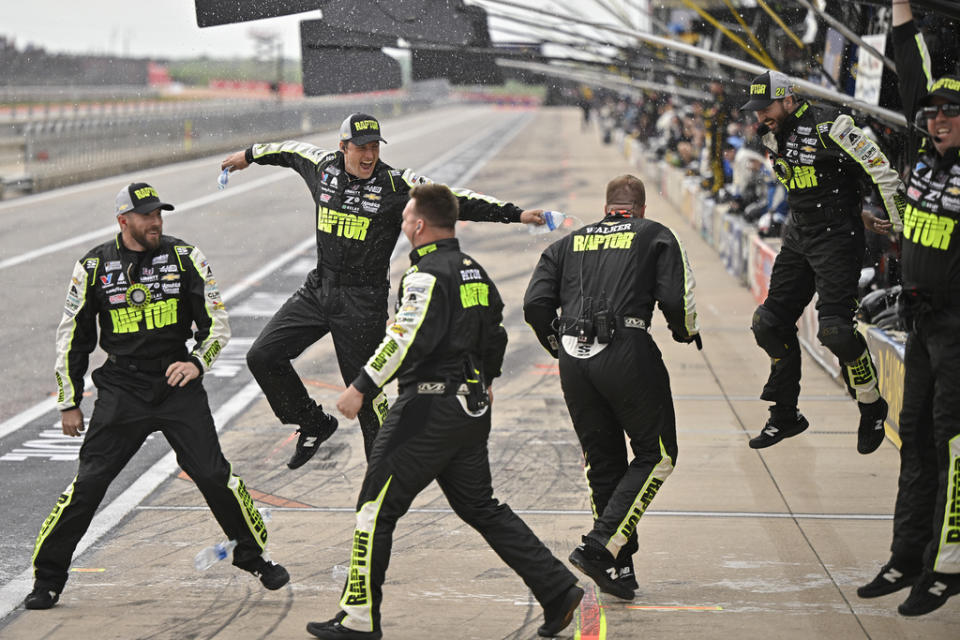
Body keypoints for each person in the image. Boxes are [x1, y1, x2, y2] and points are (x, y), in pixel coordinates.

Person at [305, 184, 582, 639]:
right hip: (470, 408)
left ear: (418, 224)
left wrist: (361, 386)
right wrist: (486, 381)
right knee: (480, 506)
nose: (402, 224)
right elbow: (496, 333)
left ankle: (357, 619)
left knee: (375, 510)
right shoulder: (473, 270)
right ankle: (557, 589)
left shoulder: (424, 275)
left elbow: (402, 338)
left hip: (428, 407)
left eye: (405, 217)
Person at [220, 113, 545, 468]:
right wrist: (249, 155)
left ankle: (383, 473)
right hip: (319, 288)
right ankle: (313, 423)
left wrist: (517, 214)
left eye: (375, 147)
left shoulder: (396, 183)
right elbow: (285, 150)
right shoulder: (321, 167)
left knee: (366, 394)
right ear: (342, 147)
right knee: (262, 356)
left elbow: (452, 199)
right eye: (361, 148)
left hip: (363, 302)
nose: (369, 155)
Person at [24, 183, 288, 610]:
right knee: (89, 484)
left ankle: (252, 555)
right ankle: (47, 578)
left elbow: (218, 326)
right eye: (146, 215)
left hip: (175, 381)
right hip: (122, 388)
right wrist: (68, 400)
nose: (156, 222)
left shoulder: (185, 257)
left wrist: (197, 363)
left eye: (159, 214)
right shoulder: (93, 266)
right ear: (123, 220)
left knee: (212, 473)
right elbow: (72, 336)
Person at [523, 175, 701, 601]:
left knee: (603, 461)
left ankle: (618, 566)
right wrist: (683, 330)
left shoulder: (568, 243)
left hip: (572, 357)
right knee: (657, 454)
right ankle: (601, 547)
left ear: (608, 206)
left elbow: (534, 304)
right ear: (639, 207)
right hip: (625, 349)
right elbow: (679, 300)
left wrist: (557, 345)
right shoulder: (654, 233)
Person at [856, 3, 960, 616]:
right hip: (920, 323)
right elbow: (911, 72)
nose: (937, 119)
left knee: (950, 444)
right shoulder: (925, 149)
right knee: (915, 440)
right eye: (931, 113)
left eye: (950, 113)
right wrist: (901, 12)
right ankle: (907, 555)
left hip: (957, 328)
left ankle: (948, 566)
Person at [740, 70, 905, 453]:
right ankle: (785, 415)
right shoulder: (770, 133)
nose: (760, 116)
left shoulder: (834, 125)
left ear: (788, 99)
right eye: (756, 110)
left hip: (836, 239)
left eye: (766, 108)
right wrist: (853, 206)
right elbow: (808, 181)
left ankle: (871, 403)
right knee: (767, 324)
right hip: (798, 234)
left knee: (836, 332)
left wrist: (899, 227)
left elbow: (883, 171)